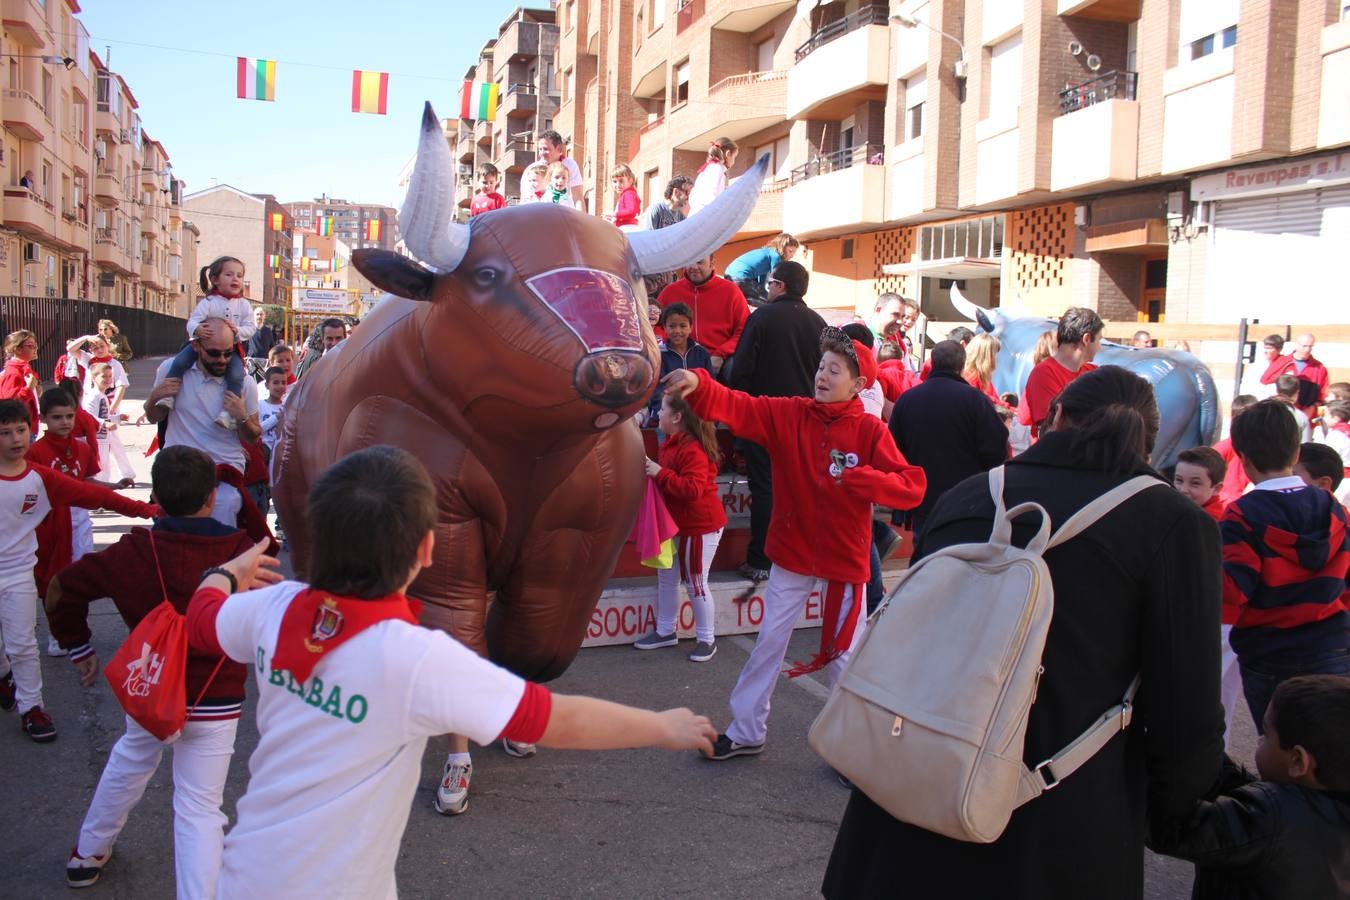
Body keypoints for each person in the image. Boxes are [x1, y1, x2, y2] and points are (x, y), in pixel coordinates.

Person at [180, 445, 715, 897]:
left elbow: (202, 619)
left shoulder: (273, 610)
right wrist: (661, 726)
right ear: (426, 548)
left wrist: (226, 571)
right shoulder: (414, 658)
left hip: (244, 875)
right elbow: (554, 720)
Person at [824, 366, 1224, 900]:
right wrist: (1177, 814)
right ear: (1148, 444)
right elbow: (1186, 706)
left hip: (911, 797)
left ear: (1055, 416)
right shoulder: (1174, 525)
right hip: (1055, 819)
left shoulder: (970, 496)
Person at [665, 329, 924, 759]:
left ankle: (851, 748)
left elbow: (911, 485)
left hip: (846, 559)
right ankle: (746, 729)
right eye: (821, 366)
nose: (822, 375)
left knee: (844, 656)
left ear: (858, 385)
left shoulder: (870, 430)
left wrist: (863, 480)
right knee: (769, 642)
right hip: (792, 552)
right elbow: (741, 405)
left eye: (834, 370)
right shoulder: (789, 414)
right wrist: (701, 383)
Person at [46, 445, 256, 893]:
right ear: (210, 500)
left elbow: (64, 587)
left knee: (130, 759)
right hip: (216, 695)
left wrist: (78, 646)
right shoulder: (242, 552)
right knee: (200, 807)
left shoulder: (134, 550)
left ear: (156, 496)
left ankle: (88, 853)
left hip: (152, 683)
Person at [0, 398, 158, 743]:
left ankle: (32, 708)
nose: (15, 438)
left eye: (21, 430)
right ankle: (4, 674)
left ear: (30, 428)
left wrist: (147, 510)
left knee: (23, 643)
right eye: (5, 433)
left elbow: (93, 495)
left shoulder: (40, 478)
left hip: (16, 574)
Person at [1148, 674, 1350, 899]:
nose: (1260, 740)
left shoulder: (1274, 820)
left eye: (1266, 733)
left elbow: (1173, 830)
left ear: (1297, 761)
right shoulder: (1325, 811)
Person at [1221, 399, 1350, 732]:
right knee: (1332, 753)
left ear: (1244, 460)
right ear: (1296, 454)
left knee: (1279, 750)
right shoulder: (1333, 508)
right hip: (1332, 645)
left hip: (1269, 652)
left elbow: (1233, 592)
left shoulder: (1241, 515)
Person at [725, 260, 826, 582]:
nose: (768, 289)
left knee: (766, 487)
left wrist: (737, 415)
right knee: (800, 488)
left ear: (779, 285)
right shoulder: (819, 323)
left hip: (766, 418)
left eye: (770, 284)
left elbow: (740, 372)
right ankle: (798, 557)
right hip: (807, 420)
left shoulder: (763, 318)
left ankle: (761, 561)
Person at [144, 318, 266, 541]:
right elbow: (154, 417)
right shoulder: (170, 371)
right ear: (196, 346)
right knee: (171, 543)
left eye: (228, 353)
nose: (222, 360)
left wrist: (241, 417)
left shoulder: (243, 383)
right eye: (214, 353)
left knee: (216, 537)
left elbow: (253, 436)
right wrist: (154, 398)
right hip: (178, 468)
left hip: (223, 471)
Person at [633, 392, 726, 662]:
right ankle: (665, 631)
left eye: (662, 409)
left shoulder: (692, 448)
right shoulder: (675, 442)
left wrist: (659, 472)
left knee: (696, 582)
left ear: (676, 417)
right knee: (667, 578)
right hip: (681, 525)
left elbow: (693, 489)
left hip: (700, 526)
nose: (658, 413)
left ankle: (707, 639)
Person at [889, 340, 1009, 539]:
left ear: (933, 362)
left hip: (924, 499)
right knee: (961, 560)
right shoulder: (975, 400)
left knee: (926, 559)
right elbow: (997, 449)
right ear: (961, 366)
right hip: (966, 499)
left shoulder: (907, 400)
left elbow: (894, 450)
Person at [161, 257, 255, 430]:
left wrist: (238, 332)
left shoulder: (244, 305)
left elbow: (251, 328)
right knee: (180, 361)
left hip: (230, 348)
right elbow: (192, 321)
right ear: (215, 279)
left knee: (235, 375)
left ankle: (228, 412)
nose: (235, 279)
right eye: (229, 274)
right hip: (202, 346)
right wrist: (197, 329)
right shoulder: (208, 302)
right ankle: (169, 395)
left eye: (239, 276)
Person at [1018, 307, 1103, 439]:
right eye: (1099, 340)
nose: (1100, 347)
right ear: (1086, 339)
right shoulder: (1044, 374)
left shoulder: (1094, 372)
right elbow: (1053, 428)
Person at [656, 256, 749, 373]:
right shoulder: (670, 291)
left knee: (736, 367)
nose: (694, 267)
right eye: (690, 262)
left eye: (700, 262)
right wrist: (670, 346)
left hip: (719, 358)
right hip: (677, 355)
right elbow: (655, 325)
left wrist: (721, 354)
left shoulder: (731, 291)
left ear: (712, 263)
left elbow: (744, 329)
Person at [646, 303, 712, 426]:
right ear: (665, 327)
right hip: (668, 416)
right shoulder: (659, 355)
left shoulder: (701, 353)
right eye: (672, 326)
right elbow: (656, 391)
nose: (677, 331)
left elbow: (710, 385)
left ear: (690, 327)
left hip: (698, 414)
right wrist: (668, 412)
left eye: (682, 326)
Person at [640, 174, 693, 301]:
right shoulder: (656, 210)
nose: (688, 197)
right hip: (652, 275)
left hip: (668, 274)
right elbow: (648, 242)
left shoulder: (680, 217)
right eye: (687, 193)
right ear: (676, 191)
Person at [84, 363, 136, 484]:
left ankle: (101, 491)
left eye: (110, 376)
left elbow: (103, 416)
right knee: (101, 468)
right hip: (97, 438)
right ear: (94, 378)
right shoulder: (93, 396)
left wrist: (117, 418)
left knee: (105, 466)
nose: (108, 379)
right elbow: (88, 416)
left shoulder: (102, 396)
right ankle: (98, 491)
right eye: (104, 376)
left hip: (103, 437)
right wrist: (104, 424)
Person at [1261, 332, 1328, 418]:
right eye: (1304, 346)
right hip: (1279, 412)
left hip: (1306, 415)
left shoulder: (1319, 368)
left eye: (1310, 346)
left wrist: (1315, 412)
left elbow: (1322, 396)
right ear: (1296, 345)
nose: (1307, 349)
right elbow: (1265, 382)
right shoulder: (1282, 362)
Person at [723, 234, 800, 307]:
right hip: (740, 277)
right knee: (770, 302)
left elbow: (762, 277)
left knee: (750, 300)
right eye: (790, 251)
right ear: (782, 247)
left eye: (794, 252)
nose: (792, 256)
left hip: (730, 276)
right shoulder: (775, 256)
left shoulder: (766, 253)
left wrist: (762, 289)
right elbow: (777, 277)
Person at [1, 329, 41, 431]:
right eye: (30, 346)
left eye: (35, 345)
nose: (35, 348)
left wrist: (35, 392)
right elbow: (10, 406)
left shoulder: (24, 369)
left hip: (26, 426)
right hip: (19, 429)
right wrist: (28, 389)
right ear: (17, 349)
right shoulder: (13, 372)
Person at [1173, 445, 1226, 521]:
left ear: (1216, 489)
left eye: (1195, 483)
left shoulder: (1207, 522)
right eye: (1179, 480)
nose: (1183, 490)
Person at [688, 137, 738, 216]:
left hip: (697, 214)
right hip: (703, 216)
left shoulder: (709, 168)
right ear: (728, 154)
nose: (734, 161)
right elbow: (711, 196)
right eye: (734, 157)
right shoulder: (716, 169)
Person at [538, 129, 582, 206]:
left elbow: (577, 198)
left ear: (558, 149)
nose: (542, 153)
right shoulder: (536, 168)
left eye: (545, 149)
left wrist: (581, 218)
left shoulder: (569, 165)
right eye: (540, 149)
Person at [961, 332, 1006, 406]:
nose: (997, 358)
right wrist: (1009, 408)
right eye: (994, 354)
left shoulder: (980, 376)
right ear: (986, 356)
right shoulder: (971, 378)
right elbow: (986, 400)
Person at [1273, 374, 1313, 442]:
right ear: (1297, 393)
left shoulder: (1262, 409)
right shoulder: (1301, 417)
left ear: (1276, 390)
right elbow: (1306, 444)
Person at [608, 163, 640, 228]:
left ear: (630, 181)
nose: (618, 185)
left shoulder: (629, 194)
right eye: (614, 181)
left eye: (621, 181)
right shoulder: (626, 194)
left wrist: (615, 215)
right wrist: (614, 218)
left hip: (627, 229)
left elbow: (631, 211)